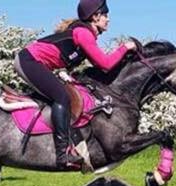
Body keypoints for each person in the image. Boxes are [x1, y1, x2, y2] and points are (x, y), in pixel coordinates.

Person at [15, 1, 137, 169]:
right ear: (95, 17)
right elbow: (105, 64)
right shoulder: (83, 33)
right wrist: (124, 47)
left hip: (34, 63)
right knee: (62, 97)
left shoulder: (84, 33)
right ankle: (62, 155)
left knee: (64, 93)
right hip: (28, 61)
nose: (108, 19)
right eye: (106, 15)